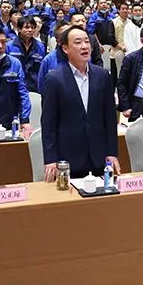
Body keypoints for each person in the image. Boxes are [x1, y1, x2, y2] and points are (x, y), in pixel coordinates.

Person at [41, 26, 119, 180]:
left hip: (99, 157)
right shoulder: (54, 79)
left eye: (86, 42)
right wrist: (50, 159)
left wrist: (112, 152)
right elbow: (49, 123)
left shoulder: (103, 76)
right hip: (67, 158)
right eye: (78, 42)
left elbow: (110, 119)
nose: (84, 46)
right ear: (65, 48)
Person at [9, 15, 45, 93]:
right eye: (27, 27)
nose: (30, 30)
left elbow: (41, 69)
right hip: (14, 86)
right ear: (19, 29)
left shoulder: (40, 46)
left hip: (34, 87)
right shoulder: (9, 46)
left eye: (32, 27)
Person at [38, 21, 70, 93]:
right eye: (64, 35)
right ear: (58, 41)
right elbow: (42, 87)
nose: (68, 37)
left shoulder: (82, 57)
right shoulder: (48, 60)